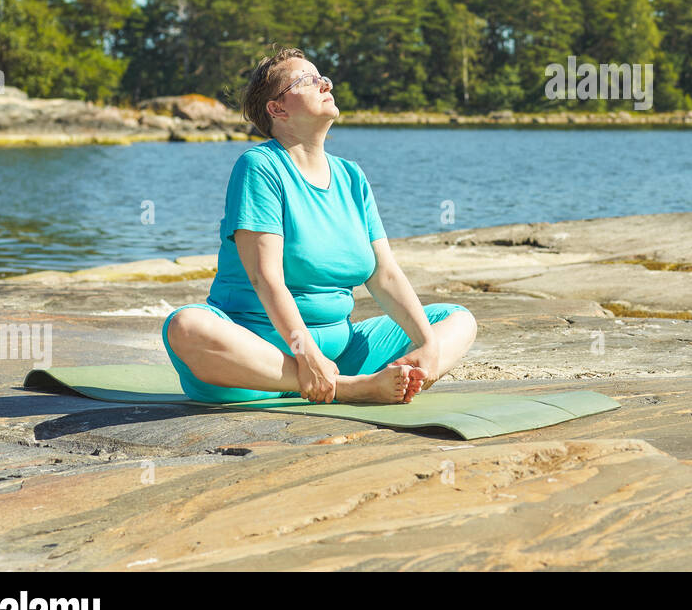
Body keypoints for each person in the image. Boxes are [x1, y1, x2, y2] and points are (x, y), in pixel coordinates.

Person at [161, 46, 477, 405]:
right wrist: (307, 355)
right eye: (308, 80)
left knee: (458, 320)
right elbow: (267, 278)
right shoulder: (260, 167)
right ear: (277, 109)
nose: (325, 83)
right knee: (186, 327)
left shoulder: (351, 177)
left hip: (341, 356)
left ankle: (365, 378)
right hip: (256, 358)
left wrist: (428, 345)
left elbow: (384, 274)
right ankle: (349, 388)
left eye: (322, 76)